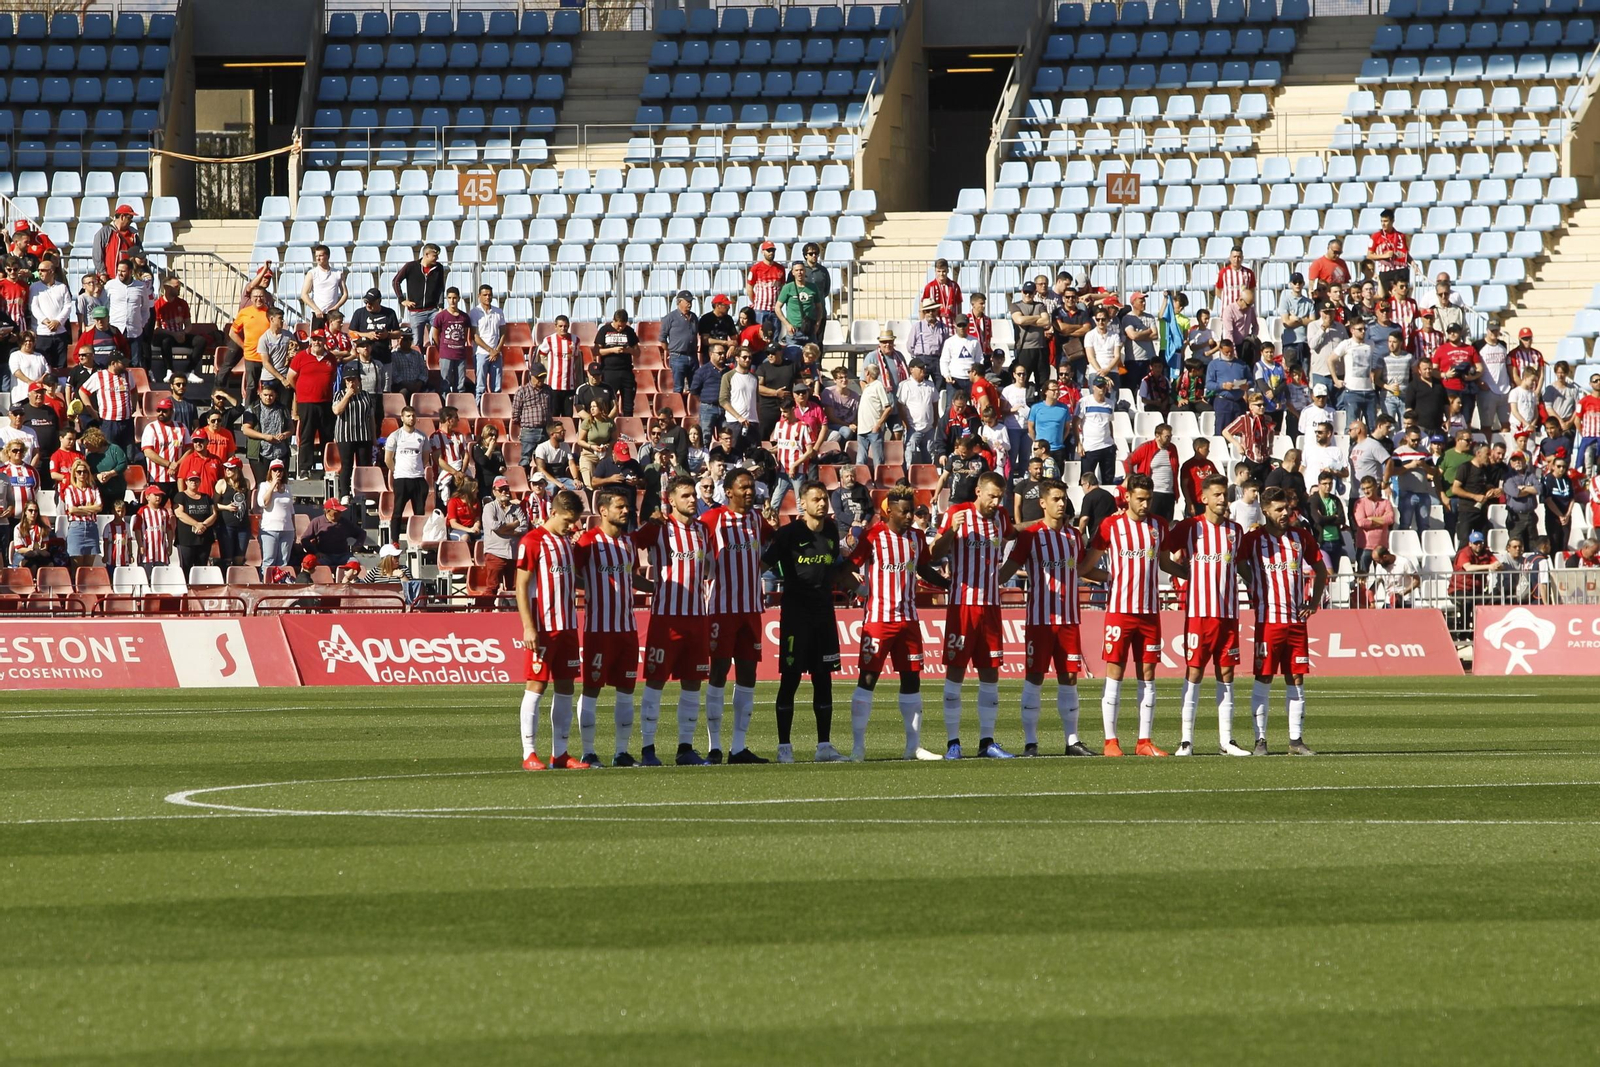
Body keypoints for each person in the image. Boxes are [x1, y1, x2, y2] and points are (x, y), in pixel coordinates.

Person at [843, 485, 949, 761]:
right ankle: (858, 748)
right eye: (904, 512)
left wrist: (949, 584)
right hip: (878, 620)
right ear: (890, 511)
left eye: (912, 511)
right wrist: (859, 590)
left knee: (912, 679)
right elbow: (848, 568)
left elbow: (924, 569)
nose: (909, 517)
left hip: (909, 620)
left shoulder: (916, 537)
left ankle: (913, 747)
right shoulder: (873, 536)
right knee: (867, 678)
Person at [996, 478, 1099, 757]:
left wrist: (1118, 576)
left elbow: (1080, 570)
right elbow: (1009, 570)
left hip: (1069, 620)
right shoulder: (1031, 536)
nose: (1061, 503)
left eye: (1063, 498)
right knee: (1035, 677)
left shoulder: (1074, 537)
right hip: (1040, 620)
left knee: (1069, 677)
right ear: (1042, 503)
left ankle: (1072, 741)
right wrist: (986, 580)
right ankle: (1031, 743)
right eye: (1055, 498)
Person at [1159, 474, 1252, 756]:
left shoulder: (1235, 530)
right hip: (1199, 615)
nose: (1223, 499)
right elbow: (1163, 558)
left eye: (1225, 494)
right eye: (1218, 495)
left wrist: (1258, 587)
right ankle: (1186, 740)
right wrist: (1183, 573)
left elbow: (1242, 566)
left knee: (1226, 674)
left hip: (1228, 615)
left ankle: (1227, 741)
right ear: (1204, 498)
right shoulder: (1189, 528)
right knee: (1195, 672)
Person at [755, 482, 845, 762]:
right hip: (796, 616)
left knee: (823, 679)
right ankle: (784, 747)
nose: (822, 503)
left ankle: (824, 746)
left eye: (825, 498)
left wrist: (863, 587)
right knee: (791, 679)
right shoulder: (788, 534)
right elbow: (763, 565)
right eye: (816, 499)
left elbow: (836, 567)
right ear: (802, 504)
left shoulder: (831, 530)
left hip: (824, 614)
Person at [1237, 486, 1329, 755]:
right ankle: (1260, 741)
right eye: (1278, 509)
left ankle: (1296, 741)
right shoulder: (1253, 540)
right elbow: (1239, 563)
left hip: (1296, 622)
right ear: (1265, 510)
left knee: (1297, 679)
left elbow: (1320, 570)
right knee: (1263, 678)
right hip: (1267, 622)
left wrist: (1313, 603)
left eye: (1287, 508)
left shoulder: (1300, 537)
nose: (1285, 513)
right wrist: (1252, 582)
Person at [1081, 472, 1168, 757]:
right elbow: (1085, 567)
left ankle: (1144, 741)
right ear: (1127, 496)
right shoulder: (1111, 526)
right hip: (1120, 612)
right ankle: (1111, 741)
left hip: (1149, 613)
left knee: (1148, 676)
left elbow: (1165, 562)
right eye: (1140, 499)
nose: (1144, 505)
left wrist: (1189, 574)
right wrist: (1109, 576)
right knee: (1114, 674)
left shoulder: (1159, 526)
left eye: (1148, 499)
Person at [928, 471, 1014, 759]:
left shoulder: (1001, 517)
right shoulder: (957, 512)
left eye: (999, 497)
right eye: (991, 495)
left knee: (990, 672)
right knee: (956, 671)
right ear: (978, 491)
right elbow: (933, 553)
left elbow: (1017, 532)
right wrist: (951, 530)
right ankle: (953, 742)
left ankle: (987, 741)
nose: (995, 501)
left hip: (991, 606)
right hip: (962, 605)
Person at [634, 476, 714, 766]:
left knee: (693, 683)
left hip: (697, 618)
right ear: (671, 500)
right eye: (685, 496)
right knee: (656, 682)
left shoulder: (703, 530)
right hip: (666, 619)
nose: (692, 500)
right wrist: (645, 584)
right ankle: (647, 749)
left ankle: (685, 748)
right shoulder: (659, 528)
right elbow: (627, 545)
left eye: (693, 495)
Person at [698, 468, 774, 763]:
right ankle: (714, 746)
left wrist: (760, 569)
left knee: (748, 674)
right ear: (728, 491)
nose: (749, 492)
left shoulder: (757, 519)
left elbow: (776, 543)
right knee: (717, 673)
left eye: (751, 487)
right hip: (721, 609)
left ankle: (738, 747)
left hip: (752, 609)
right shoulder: (712, 519)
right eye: (743, 487)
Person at [512, 489, 587, 770]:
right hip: (544, 627)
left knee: (566, 687)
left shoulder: (566, 542)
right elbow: (521, 585)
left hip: (568, 625)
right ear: (553, 512)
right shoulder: (532, 541)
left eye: (574, 521)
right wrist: (528, 627)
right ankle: (529, 752)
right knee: (537, 685)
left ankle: (561, 753)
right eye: (567, 520)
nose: (571, 526)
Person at [330, 349, 379, 504]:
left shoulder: (366, 396)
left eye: (353, 380)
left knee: (364, 465)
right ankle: (345, 493)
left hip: (363, 435)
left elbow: (371, 418)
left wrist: (374, 438)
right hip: (345, 435)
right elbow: (337, 410)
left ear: (359, 380)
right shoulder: (339, 395)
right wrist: (347, 395)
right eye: (348, 380)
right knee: (347, 465)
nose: (351, 383)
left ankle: (363, 493)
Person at [393, 243, 446, 347]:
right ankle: (419, 361)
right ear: (426, 254)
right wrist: (402, 299)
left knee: (439, 337)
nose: (437, 258)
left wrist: (440, 306)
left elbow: (440, 287)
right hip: (416, 312)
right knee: (417, 342)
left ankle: (437, 360)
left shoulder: (439, 268)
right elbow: (396, 281)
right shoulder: (411, 266)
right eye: (435, 256)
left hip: (433, 310)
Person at [384, 405, 432, 521]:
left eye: (413, 416)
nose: (411, 418)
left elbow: (425, 457)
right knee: (397, 512)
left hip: (418, 478)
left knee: (420, 513)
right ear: (402, 418)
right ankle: (395, 539)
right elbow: (388, 459)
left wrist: (418, 468)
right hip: (402, 479)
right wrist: (397, 471)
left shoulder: (422, 436)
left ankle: (419, 538)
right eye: (408, 416)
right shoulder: (395, 436)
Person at [1125, 423, 1179, 521]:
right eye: (1167, 436)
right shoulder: (1147, 447)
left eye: (1170, 436)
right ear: (1157, 436)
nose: (1169, 439)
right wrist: (1131, 478)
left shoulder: (1172, 448)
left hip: (1169, 493)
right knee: (1151, 522)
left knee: (1167, 524)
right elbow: (1129, 461)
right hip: (1153, 492)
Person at [1222, 392, 1274, 485]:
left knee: (1267, 485)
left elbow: (1271, 431)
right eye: (1258, 405)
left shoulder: (1267, 419)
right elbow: (1226, 432)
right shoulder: (1244, 419)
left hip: (1264, 457)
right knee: (1247, 485)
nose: (1262, 407)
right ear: (1251, 406)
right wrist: (1238, 445)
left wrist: (1270, 445)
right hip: (1251, 457)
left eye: (1263, 405)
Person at [171, 472, 218, 573]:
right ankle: (186, 587)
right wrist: (196, 524)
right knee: (186, 566)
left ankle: (199, 588)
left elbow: (213, 514)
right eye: (191, 480)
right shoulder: (181, 496)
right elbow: (179, 513)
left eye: (196, 480)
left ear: (200, 482)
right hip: (186, 539)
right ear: (186, 482)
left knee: (201, 567)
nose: (194, 482)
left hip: (204, 538)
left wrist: (203, 525)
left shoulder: (206, 497)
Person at [430, 286, 473, 395]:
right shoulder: (441, 316)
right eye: (449, 298)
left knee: (460, 384)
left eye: (454, 298)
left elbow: (467, 333)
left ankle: (459, 406)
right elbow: (435, 335)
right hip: (446, 354)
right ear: (447, 299)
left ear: (458, 298)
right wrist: (441, 349)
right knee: (445, 383)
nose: (452, 301)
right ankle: (445, 407)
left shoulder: (464, 317)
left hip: (460, 354)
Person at [596, 309, 639, 416]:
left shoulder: (629, 331)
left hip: (626, 371)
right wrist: (612, 350)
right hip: (609, 372)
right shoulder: (604, 330)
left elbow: (638, 352)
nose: (620, 328)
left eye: (623, 326)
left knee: (628, 405)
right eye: (618, 326)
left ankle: (627, 426)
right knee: (608, 403)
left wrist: (629, 350)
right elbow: (596, 351)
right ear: (613, 320)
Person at [1075, 375, 1116, 485]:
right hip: (1090, 447)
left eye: (1103, 386)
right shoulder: (1084, 402)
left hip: (1107, 446)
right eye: (1098, 386)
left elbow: (1109, 422)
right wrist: (1078, 443)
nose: (1101, 389)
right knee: (1086, 480)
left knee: (1108, 480)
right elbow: (1075, 423)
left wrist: (1113, 440)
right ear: (1093, 387)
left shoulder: (1110, 403)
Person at [60, 459, 101, 567]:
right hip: (76, 527)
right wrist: (89, 508)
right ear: (74, 473)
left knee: (88, 568)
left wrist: (80, 509)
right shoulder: (69, 490)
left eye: (85, 471)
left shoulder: (93, 489)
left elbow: (99, 507)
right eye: (79, 472)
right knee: (76, 568)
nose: (82, 474)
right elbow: (72, 509)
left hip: (91, 527)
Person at [255, 460, 295, 568]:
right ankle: (266, 583)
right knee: (269, 560)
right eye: (275, 470)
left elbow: (291, 510)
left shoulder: (287, 488)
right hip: (269, 529)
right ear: (270, 472)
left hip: (287, 529)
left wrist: (294, 530)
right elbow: (263, 503)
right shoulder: (264, 485)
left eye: (280, 470)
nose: (278, 472)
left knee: (283, 562)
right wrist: (272, 485)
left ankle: (280, 583)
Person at [469, 284, 505, 403]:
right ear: (479, 296)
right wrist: (491, 350)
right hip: (481, 353)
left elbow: (503, 333)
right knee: (480, 386)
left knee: (497, 387)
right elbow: (475, 336)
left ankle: (496, 410)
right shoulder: (474, 312)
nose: (487, 297)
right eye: (485, 295)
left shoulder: (498, 312)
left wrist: (497, 350)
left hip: (496, 353)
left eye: (489, 295)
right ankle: (479, 410)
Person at [299, 242, 346, 330]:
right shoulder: (312, 273)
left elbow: (345, 294)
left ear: (327, 256)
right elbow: (304, 294)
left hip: (333, 315)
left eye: (321, 255)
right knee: (317, 341)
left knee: (333, 340)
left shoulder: (338, 273)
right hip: (318, 314)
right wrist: (316, 309)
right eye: (316, 256)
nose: (318, 258)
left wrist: (336, 307)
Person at [745, 240, 784, 334]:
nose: (771, 252)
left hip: (775, 309)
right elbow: (749, 287)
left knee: (775, 335)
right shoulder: (756, 268)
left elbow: (782, 287)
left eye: (773, 250)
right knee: (760, 335)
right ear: (763, 252)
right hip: (760, 309)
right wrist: (755, 301)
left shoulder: (780, 268)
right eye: (768, 250)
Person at [1369, 208, 1411, 294]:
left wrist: (1413, 263)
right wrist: (1384, 256)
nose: (1383, 224)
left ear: (1392, 221)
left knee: (1403, 295)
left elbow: (1405, 254)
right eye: (1381, 221)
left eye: (1386, 221)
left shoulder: (1401, 236)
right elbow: (1369, 255)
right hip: (1386, 271)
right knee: (1387, 298)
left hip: (1401, 268)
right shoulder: (1376, 236)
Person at [1541, 453, 1575, 552]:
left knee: (1564, 544)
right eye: (1559, 466)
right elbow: (1548, 500)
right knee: (1554, 544)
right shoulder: (1548, 479)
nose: (1561, 469)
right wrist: (1560, 515)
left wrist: (1567, 515)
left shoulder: (1567, 479)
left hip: (1566, 517)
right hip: (1553, 516)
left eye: (1564, 467)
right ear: (1553, 467)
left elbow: (1572, 498)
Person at [8, 499, 52, 571]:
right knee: (32, 565)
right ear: (25, 512)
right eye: (30, 510)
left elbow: (45, 547)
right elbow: (19, 549)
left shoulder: (43, 528)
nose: (33, 513)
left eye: (36, 511)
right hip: (22, 553)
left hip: (38, 553)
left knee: (50, 564)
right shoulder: (18, 528)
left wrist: (38, 552)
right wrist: (33, 550)